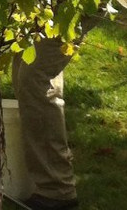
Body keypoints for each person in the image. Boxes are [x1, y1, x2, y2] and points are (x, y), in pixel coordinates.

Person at [12, 39, 79, 210]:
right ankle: (45, 177)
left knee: (34, 74)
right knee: (25, 62)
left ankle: (57, 189)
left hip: (72, 11)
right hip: (45, 12)